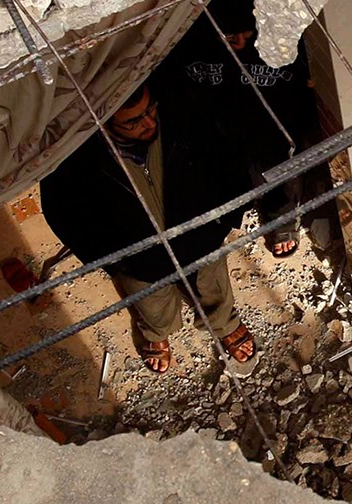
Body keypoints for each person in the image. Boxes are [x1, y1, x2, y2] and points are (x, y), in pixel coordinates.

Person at [41, 84, 257, 376]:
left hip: (200, 238)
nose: (149, 122)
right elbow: (63, 212)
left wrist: (225, 218)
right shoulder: (78, 158)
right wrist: (113, 261)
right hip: (140, 260)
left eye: (150, 109)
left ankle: (224, 322)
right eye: (133, 121)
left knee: (213, 281)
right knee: (151, 300)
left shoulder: (181, 115)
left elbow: (227, 153)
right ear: (104, 122)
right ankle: (158, 331)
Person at [161, 0, 323, 258]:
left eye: (244, 33)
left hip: (269, 131)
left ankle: (279, 218)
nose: (236, 41)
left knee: (279, 165)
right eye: (228, 36)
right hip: (214, 127)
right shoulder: (194, 38)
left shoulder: (278, 34)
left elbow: (309, 74)